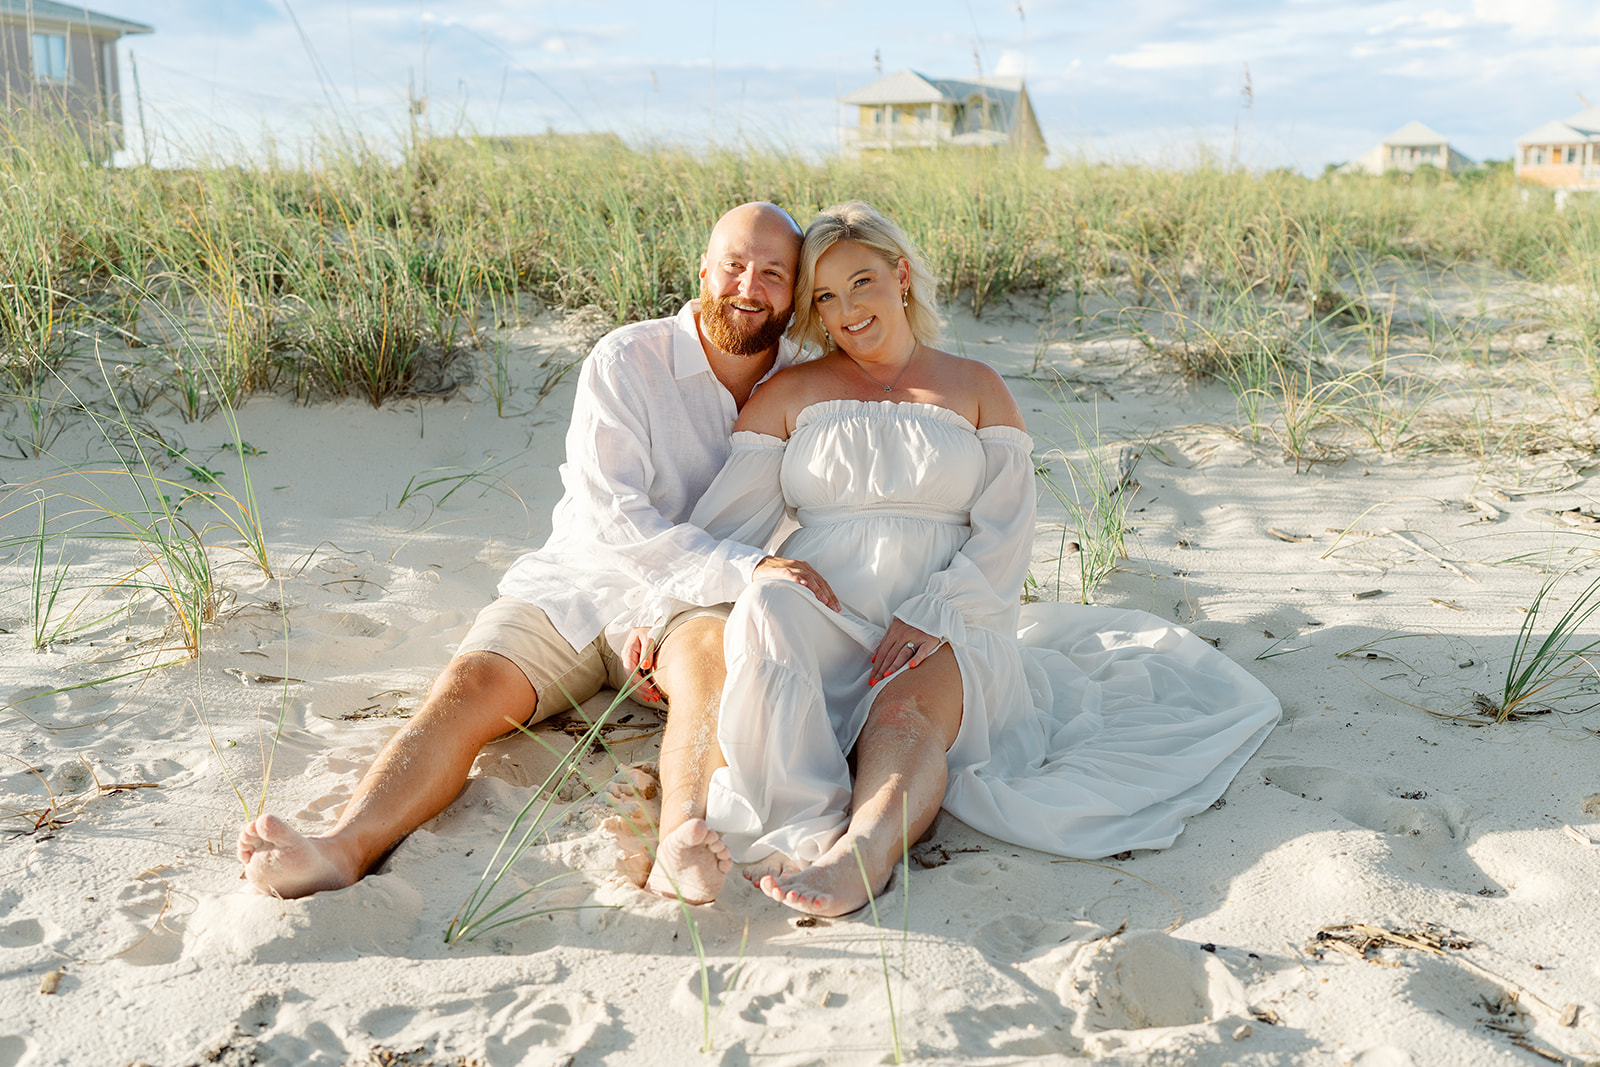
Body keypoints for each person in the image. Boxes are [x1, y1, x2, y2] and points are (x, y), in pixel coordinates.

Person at [681, 201, 1282, 917]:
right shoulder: (790, 393)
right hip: (828, 617)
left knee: (907, 709)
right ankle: (803, 820)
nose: (847, 311)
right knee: (769, 603)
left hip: (948, 612)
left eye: (863, 282)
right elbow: (722, 531)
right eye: (825, 297)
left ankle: (861, 853)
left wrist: (938, 611)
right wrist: (695, 597)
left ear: (900, 275)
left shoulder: (974, 386)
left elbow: (1006, 531)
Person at [236, 202, 837, 906]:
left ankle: (680, 843)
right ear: (704, 269)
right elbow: (616, 516)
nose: (748, 285)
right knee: (471, 684)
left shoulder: (808, 382)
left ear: (794, 292)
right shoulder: (628, 359)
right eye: (734, 264)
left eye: (772, 273)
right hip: (587, 578)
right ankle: (343, 845)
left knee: (711, 672)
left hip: (695, 602)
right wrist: (749, 568)